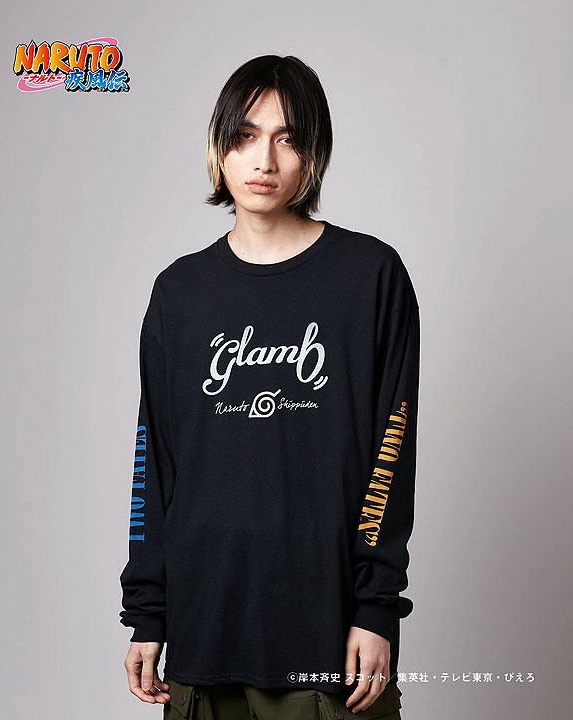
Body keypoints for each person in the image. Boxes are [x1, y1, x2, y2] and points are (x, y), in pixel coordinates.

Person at [119, 54, 420, 720]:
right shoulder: (179, 293)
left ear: (314, 152)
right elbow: (154, 463)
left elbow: (391, 456)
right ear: (219, 147)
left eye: (288, 138)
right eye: (246, 135)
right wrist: (148, 611)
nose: (264, 160)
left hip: (328, 638)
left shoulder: (370, 277)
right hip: (202, 634)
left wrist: (375, 608)